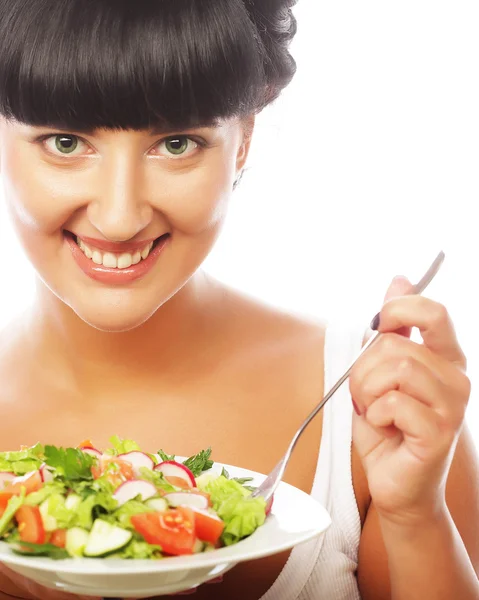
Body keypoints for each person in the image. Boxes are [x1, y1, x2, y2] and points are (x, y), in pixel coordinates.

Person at [0, 1, 478, 599]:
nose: (119, 217)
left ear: (244, 139)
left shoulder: (372, 405)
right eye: (66, 142)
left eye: (176, 144)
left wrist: (414, 513)